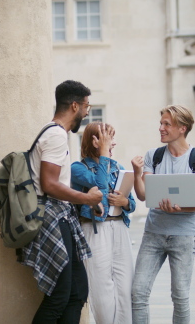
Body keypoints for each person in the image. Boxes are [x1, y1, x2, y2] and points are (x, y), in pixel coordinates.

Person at [21, 80, 103, 324]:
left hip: (60, 217)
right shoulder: (56, 135)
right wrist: (87, 198)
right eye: (87, 106)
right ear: (75, 106)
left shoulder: (54, 133)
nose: (88, 112)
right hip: (53, 219)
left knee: (76, 293)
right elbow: (49, 184)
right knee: (60, 295)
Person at [130, 104, 195, 324]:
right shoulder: (154, 156)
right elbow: (143, 195)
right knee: (138, 292)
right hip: (154, 233)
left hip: (184, 236)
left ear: (182, 128)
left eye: (167, 124)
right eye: (161, 123)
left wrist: (180, 208)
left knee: (180, 297)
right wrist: (138, 173)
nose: (161, 128)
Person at [71, 122, 137, 324]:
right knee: (101, 290)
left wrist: (124, 202)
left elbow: (132, 204)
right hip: (94, 228)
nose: (113, 143)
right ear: (95, 141)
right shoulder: (78, 168)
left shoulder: (120, 168)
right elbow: (100, 185)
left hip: (119, 227)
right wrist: (104, 153)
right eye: (108, 138)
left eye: (112, 138)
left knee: (126, 288)